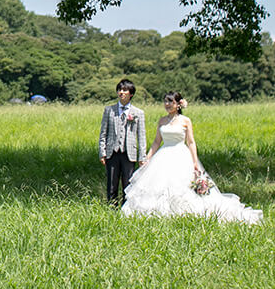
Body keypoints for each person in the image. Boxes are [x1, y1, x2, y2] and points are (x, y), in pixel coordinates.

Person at [122, 91, 262, 224]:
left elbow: (190, 142)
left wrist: (195, 162)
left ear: (178, 104)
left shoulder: (185, 121)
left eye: (170, 102)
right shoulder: (162, 121)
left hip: (180, 154)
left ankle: (183, 212)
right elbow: (157, 142)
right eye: (165, 101)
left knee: (182, 186)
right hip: (163, 155)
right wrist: (148, 157)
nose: (167, 104)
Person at [98, 79, 146, 206]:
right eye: (120, 90)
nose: (121, 92)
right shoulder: (109, 110)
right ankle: (111, 208)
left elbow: (141, 137)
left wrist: (142, 157)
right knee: (112, 184)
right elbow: (103, 132)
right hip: (112, 152)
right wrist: (102, 152)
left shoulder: (138, 113)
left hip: (129, 153)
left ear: (131, 93)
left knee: (128, 184)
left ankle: (126, 210)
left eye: (125, 90)